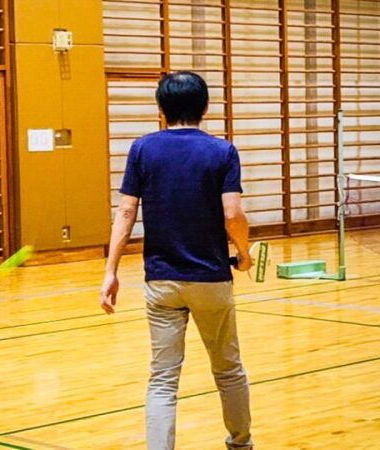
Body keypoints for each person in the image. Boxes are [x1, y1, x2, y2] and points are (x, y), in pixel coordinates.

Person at [99, 71, 254, 449]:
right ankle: (240, 443)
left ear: (161, 109)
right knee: (228, 370)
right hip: (211, 278)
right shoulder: (222, 151)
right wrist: (244, 253)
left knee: (163, 379)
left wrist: (110, 271)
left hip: (161, 281)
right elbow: (232, 214)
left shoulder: (142, 149)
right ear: (206, 107)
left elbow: (126, 211)